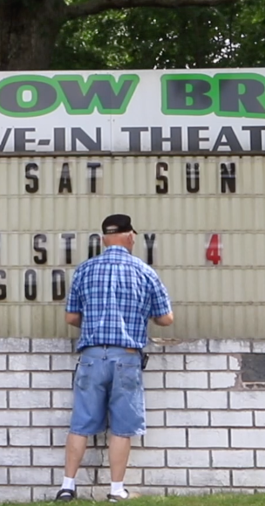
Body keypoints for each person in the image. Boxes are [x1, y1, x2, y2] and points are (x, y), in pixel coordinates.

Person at [55, 213, 174, 503]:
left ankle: (67, 486)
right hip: (127, 357)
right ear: (130, 235)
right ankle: (116, 490)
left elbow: (71, 317)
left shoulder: (85, 270)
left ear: (104, 238)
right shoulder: (144, 271)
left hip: (92, 356)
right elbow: (166, 319)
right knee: (122, 427)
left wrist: (96, 323)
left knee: (81, 423)